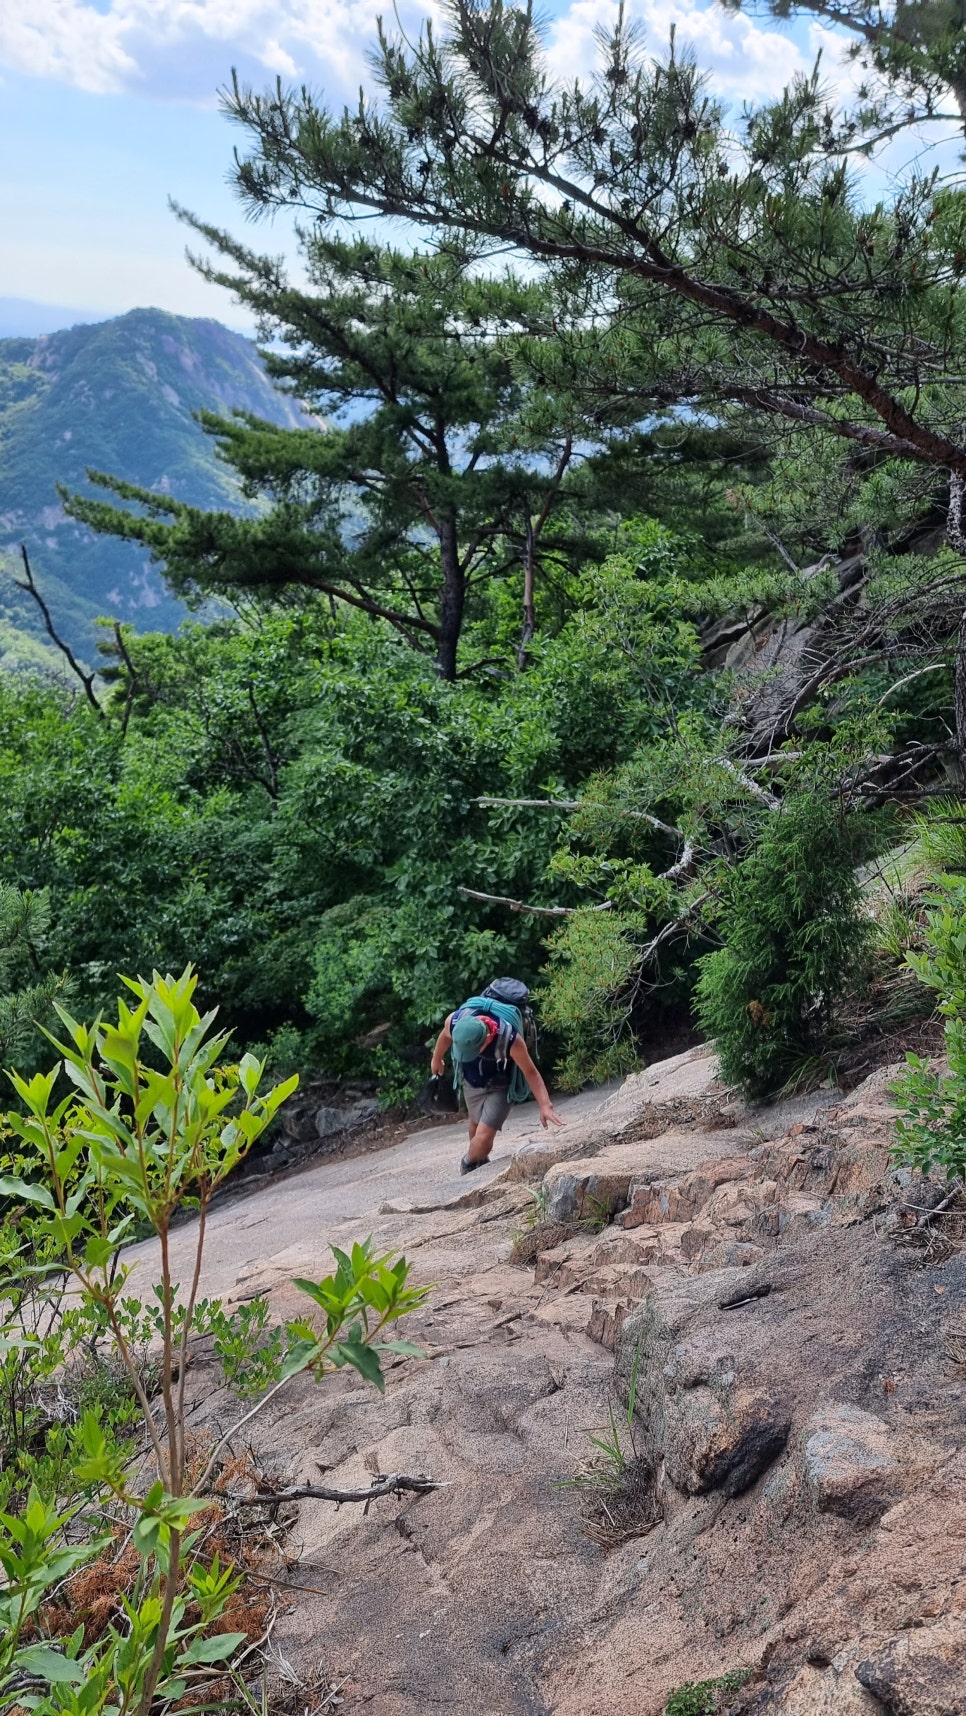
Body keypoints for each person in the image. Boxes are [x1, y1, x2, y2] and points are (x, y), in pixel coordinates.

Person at [430, 997, 564, 1174]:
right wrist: (437, 1057)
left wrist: (545, 1105)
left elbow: (530, 1072)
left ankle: (468, 1163)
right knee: (475, 1127)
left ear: (486, 1039)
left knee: (484, 1137)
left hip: (500, 1086)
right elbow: (444, 1035)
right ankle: (480, 1160)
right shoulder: (454, 1021)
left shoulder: (510, 1040)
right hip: (471, 1082)